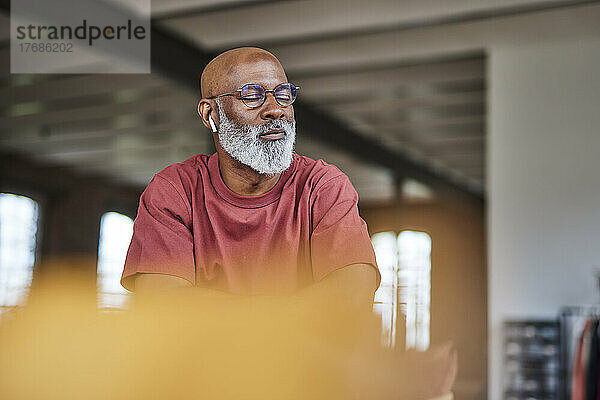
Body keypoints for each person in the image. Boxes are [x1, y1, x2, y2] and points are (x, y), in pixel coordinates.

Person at [120, 47, 380, 307]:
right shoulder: (175, 191)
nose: (275, 110)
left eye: (283, 94)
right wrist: (301, 314)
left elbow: (353, 296)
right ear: (211, 114)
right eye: (252, 96)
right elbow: (163, 303)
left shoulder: (323, 186)